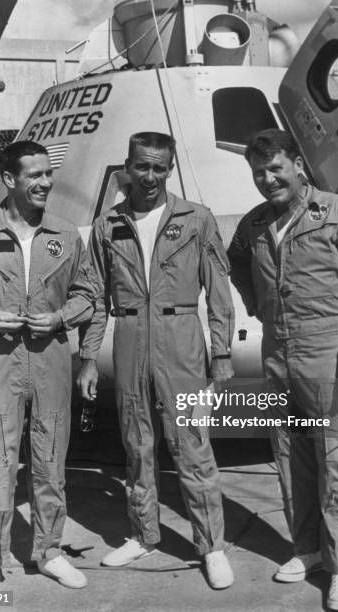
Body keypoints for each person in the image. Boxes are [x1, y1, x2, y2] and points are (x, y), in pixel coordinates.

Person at [227, 129, 338, 612]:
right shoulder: (254, 224)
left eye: (276, 168)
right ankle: (307, 549)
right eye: (258, 172)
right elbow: (236, 263)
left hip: (326, 353)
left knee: (335, 463)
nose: (268, 179)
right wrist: (261, 307)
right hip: (278, 353)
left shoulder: (336, 212)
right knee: (290, 455)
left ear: (297, 165)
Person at [78, 131, 235, 589]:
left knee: (191, 447)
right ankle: (143, 533)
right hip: (129, 338)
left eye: (158, 167)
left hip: (182, 340)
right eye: (141, 166)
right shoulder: (108, 225)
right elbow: (92, 294)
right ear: (127, 166)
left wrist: (221, 352)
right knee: (136, 443)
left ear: (170, 169)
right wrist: (89, 356)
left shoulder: (196, 219)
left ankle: (212, 547)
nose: (149, 176)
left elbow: (219, 293)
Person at [0, 140, 96, 592]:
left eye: (49, 174)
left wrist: (61, 317)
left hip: (50, 360)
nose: (46, 182)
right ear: (9, 179)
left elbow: (88, 295)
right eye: (35, 175)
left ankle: (48, 552)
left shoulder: (65, 235)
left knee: (50, 462)